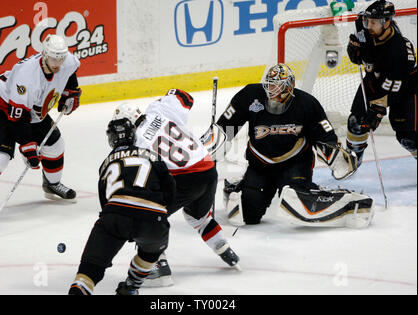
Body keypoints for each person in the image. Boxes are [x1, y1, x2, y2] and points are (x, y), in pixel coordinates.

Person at [216, 63, 373, 227]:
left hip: (295, 164)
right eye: (270, 84)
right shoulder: (250, 96)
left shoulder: (307, 104)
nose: (272, 90)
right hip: (260, 166)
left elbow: (324, 135)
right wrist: (213, 147)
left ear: (289, 86)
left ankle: (345, 201)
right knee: (249, 216)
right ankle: (237, 187)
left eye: (278, 86)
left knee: (297, 200)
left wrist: (335, 155)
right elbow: (226, 126)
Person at [127, 89, 240, 287]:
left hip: (186, 178)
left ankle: (157, 267)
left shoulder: (137, 142)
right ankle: (224, 248)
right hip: (208, 170)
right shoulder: (158, 110)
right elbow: (185, 97)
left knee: (146, 216)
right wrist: (163, 100)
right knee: (198, 217)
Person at [0, 34, 82, 228]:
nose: (58, 63)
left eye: (61, 58)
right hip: (0, 107)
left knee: (55, 145)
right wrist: (27, 146)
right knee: (0, 157)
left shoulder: (66, 61)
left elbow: (69, 77)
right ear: (44, 54)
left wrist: (69, 96)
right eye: (54, 58)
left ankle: (52, 184)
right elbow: (17, 119)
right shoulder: (26, 76)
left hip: (31, 109)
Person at [68, 108, 175, 295]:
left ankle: (81, 288)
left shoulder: (106, 163)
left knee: (88, 272)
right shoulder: (152, 155)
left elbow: (105, 202)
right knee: (150, 252)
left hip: (115, 216)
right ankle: (132, 286)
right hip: (154, 220)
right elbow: (171, 191)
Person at [345, 0, 417, 165]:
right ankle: (352, 161)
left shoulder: (400, 52)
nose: (369, 25)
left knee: (408, 138)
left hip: (408, 86)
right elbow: (361, 54)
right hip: (375, 79)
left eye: (374, 22)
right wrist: (354, 52)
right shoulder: (366, 27)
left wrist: (377, 110)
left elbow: (393, 91)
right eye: (368, 21)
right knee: (356, 122)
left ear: (387, 23)